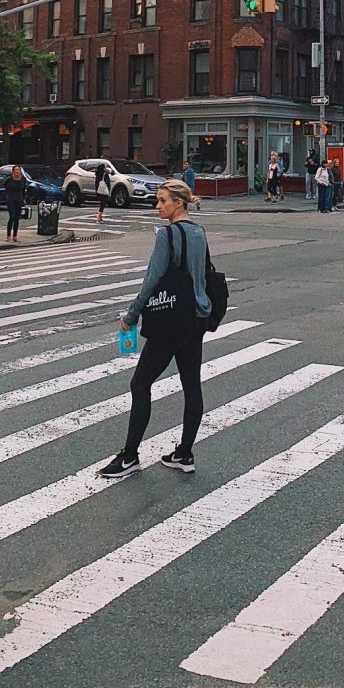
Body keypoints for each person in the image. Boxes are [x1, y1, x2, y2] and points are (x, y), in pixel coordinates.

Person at [97, 179, 211, 478]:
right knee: (191, 385)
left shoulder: (167, 235)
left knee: (140, 383)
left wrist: (131, 315)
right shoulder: (199, 232)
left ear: (179, 203)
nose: (158, 206)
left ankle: (130, 455)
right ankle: (185, 453)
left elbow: (152, 280)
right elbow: (203, 276)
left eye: (162, 201)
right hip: (196, 318)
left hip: (170, 321)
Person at [3, 164, 27, 242]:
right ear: (13, 172)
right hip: (11, 200)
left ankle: (15, 236)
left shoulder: (23, 179)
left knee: (17, 218)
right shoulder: (9, 180)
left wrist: (24, 200)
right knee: (12, 217)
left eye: (18, 170)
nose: (17, 171)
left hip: (19, 200)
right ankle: (8, 236)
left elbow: (23, 190)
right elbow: (5, 188)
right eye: (16, 170)